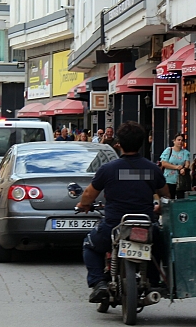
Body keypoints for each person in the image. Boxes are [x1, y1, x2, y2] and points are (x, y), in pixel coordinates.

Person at [77, 121, 169, 303]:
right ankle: (152, 280)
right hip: (146, 225)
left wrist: (83, 205)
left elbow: (88, 194)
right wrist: (159, 207)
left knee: (90, 246)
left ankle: (99, 284)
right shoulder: (151, 169)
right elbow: (165, 196)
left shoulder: (108, 169)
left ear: (119, 144)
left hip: (114, 225)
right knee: (158, 247)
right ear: (142, 143)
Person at [160, 133, 191, 199]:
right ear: (174, 141)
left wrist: (184, 169)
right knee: (169, 197)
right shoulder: (168, 150)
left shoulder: (185, 152)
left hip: (180, 180)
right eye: (178, 140)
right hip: (169, 179)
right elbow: (163, 163)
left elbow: (187, 164)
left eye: (182, 140)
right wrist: (176, 167)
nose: (180, 142)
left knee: (180, 199)